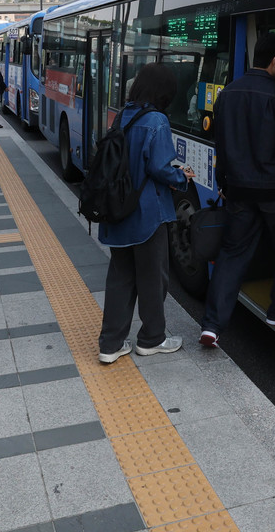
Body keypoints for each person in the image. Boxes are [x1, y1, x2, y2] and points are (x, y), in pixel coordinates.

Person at [200, 32, 275, 348]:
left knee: (232, 254)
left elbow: (222, 146)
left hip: (239, 191)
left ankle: (212, 326)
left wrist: (225, 184)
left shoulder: (226, 95)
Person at [98, 63, 195, 363]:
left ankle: (110, 345)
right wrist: (183, 177)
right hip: (147, 214)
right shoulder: (156, 120)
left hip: (117, 209)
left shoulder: (122, 116)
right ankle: (151, 338)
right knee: (153, 277)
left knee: (120, 277)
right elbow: (159, 167)